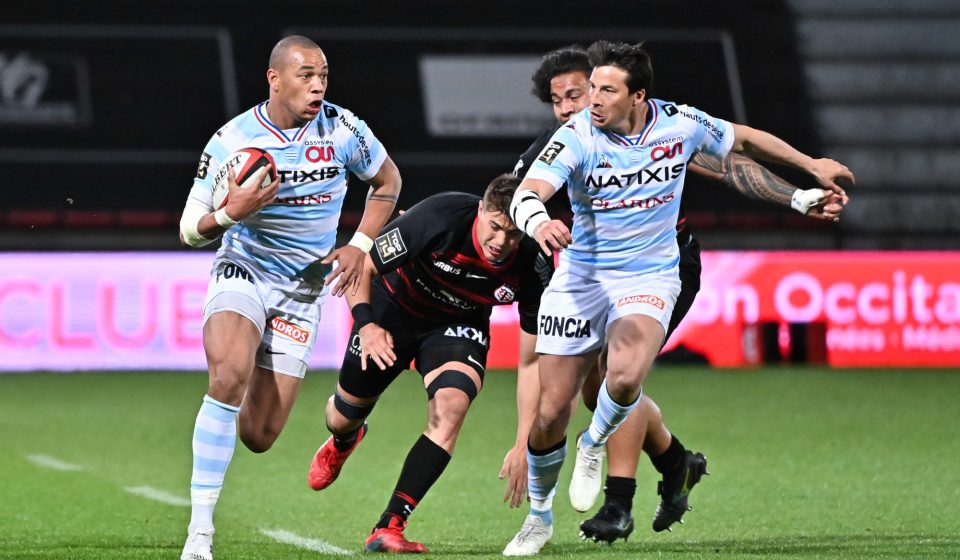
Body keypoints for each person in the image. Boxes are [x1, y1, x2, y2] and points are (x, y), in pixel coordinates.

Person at [503, 40, 853, 555]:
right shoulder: (573, 138)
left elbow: (743, 147)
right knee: (553, 409)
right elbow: (524, 194)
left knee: (623, 377)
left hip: (651, 276)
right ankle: (539, 517)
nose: (587, 103)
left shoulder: (679, 124)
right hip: (582, 279)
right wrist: (540, 222)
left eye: (601, 90)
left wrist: (806, 178)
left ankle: (596, 450)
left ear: (637, 95)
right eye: (583, 92)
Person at [176, 35, 401, 560]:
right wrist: (233, 211)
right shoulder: (233, 139)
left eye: (323, 74)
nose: (318, 85)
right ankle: (200, 534)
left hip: (303, 290)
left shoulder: (344, 129)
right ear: (275, 79)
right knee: (227, 375)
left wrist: (359, 245)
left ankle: (267, 402)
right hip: (245, 269)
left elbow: (387, 181)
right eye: (306, 75)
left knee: (258, 434)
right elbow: (190, 229)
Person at [307, 175, 553, 554]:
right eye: (495, 227)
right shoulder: (439, 216)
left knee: (452, 406)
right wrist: (367, 324)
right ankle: (345, 438)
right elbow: (363, 268)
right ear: (481, 211)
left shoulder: (534, 263)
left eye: (514, 234)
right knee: (341, 415)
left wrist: (523, 444)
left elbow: (532, 359)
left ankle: (389, 524)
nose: (502, 242)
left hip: (457, 326)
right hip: (391, 311)